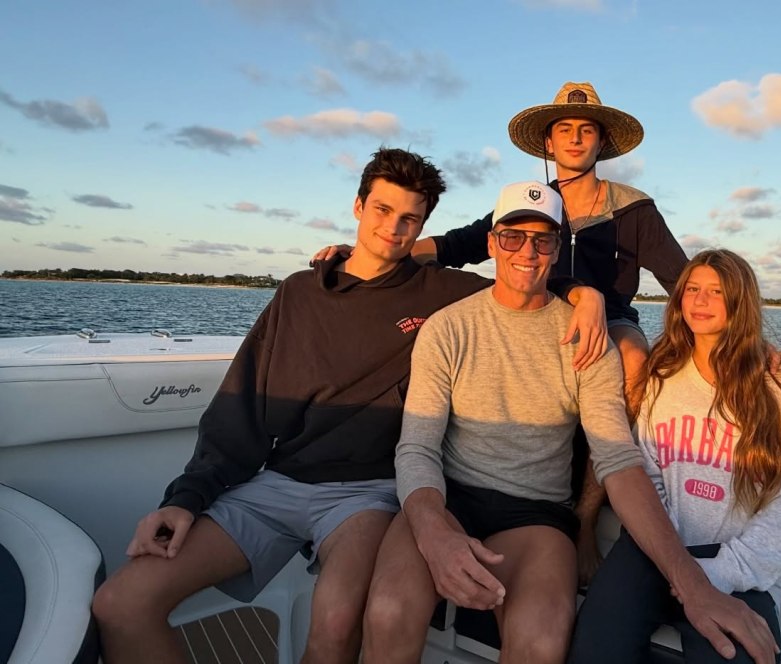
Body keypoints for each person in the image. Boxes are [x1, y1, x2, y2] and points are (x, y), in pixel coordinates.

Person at [91, 149, 605, 664]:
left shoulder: (439, 292)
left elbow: (522, 281)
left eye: (410, 219)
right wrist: (186, 498)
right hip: (278, 480)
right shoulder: (297, 293)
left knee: (337, 619)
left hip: (370, 494)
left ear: (423, 226)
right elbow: (237, 410)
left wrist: (588, 296)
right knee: (120, 604)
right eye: (382, 210)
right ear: (359, 206)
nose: (393, 228)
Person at [359, 184, 779, 664]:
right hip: (449, 498)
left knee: (540, 642)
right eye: (513, 237)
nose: (527, 252)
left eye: (542, 241)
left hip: (536, 517)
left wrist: (693, 586)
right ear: (493, 243)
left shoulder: (585, 339)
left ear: (558, 251)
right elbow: (417, 448)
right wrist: (434, 534)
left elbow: (618, 460)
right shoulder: (449, 328)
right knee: (389, 611)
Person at [313, 82, 689, 584]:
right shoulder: (529, 207)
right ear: (548, 146)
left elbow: (684, 283)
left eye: (586, 131)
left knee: (632, 358)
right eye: (564, 130)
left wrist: (747, 343)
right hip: (530, 316)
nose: (575, 139)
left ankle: (581, 519)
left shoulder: (633, 209)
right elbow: (454, 245)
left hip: (607, 322)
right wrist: (368, 254)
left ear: (602, 144)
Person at [569, 249, 781, 664]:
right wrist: (673, 561)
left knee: (741, 656)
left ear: (740, 302)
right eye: (692, 289)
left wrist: (710, 576)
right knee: (591, 650)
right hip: (651, 552)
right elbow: (646, 473)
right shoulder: (663, 375)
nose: (701, 301)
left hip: (740, 570)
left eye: (717, 292)